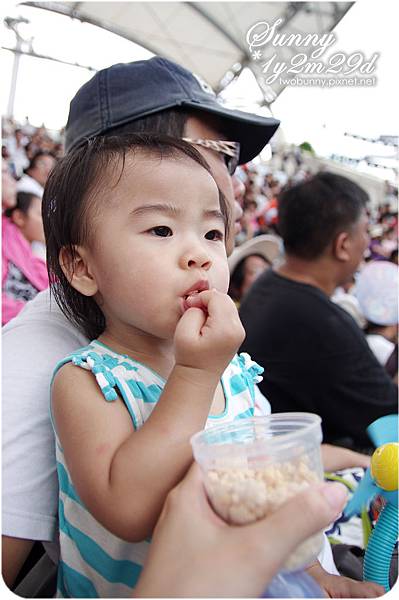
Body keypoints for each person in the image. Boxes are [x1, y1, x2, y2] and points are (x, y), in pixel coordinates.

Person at [2, 56, 279, 590]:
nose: (237, 184)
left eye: (212, 234)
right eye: (225, 156)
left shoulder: (216, 354)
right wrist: (196, 377)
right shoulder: (54, 364)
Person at [240, 172, 398, 452]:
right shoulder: (324, 323)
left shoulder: (268, 284)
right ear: (343, 245)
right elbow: (390, 422)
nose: (366, 240)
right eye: (364, 230)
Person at [133, 463, 383, 598]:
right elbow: (129, 513)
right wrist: (196, 376)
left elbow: (271, 491)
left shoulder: (244, 378)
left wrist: (316, 574)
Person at [2, 192, 48, 325]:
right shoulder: (4, 243)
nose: (46, 221)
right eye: (40, 214)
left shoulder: (28, 254)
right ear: (19, 217)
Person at [228, 234, 281, 304]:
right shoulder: (232, 313)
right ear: (235, 287)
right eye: (256, 271)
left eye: (266, 269)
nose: (265, 275)